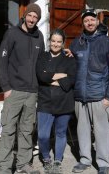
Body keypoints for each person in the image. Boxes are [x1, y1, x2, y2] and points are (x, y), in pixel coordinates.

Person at [69, 9, 109, 174]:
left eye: (92, 20)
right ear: (82, 24)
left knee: (101, 131)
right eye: (86, 21)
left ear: (97, 22)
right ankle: (85, 160)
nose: (89, 23)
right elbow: (72, 67)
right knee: (82, 130)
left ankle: (103, 163)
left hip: (99, 96)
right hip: (80, 96)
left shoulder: (108, 43)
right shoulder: (77, 43)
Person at [0, 3, 45, 174]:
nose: (32, 19)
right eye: (30, 15)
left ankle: (23, 164)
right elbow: (2, 62)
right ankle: (4, 166)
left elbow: (42, 64)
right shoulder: (12, 34)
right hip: (14, 91)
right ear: (25, 15)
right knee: (8, 129)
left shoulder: (39, 37)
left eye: (36, 17)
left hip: (32, 92)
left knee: (26, 130)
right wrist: (6, 87)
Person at [36, 29, 76, 174]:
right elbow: (41, 76)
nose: (56, 44)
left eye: (59, 42)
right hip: (45, 102)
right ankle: (46, 159)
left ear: (63, 43)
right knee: (43, 135)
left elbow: (71, 79)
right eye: (53, 41)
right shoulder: (42, 57)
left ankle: (58, 160)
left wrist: (51, 78)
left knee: (60, 133)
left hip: (64, 101)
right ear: (49, 41)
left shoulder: (69, 59)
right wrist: (60, 76)